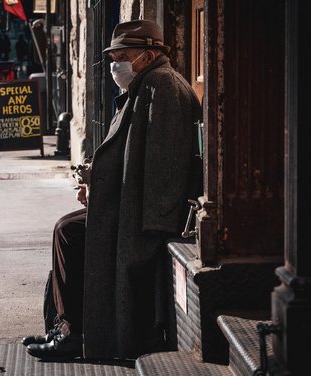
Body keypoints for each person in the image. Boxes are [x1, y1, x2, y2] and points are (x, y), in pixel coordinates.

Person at [22, 19, 203, 362]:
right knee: (68, 230)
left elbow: (165, 169)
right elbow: (129, 155)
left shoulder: (161, 89)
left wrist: (124, 211)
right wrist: (95, 182)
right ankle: (67, 328)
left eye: (122, 56)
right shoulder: (145, 86)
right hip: (128, 206)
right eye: (112, 57)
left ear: (147, 56)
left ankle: (72, 333)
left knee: (68, 232)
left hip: (145, 217)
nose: (114, 65)